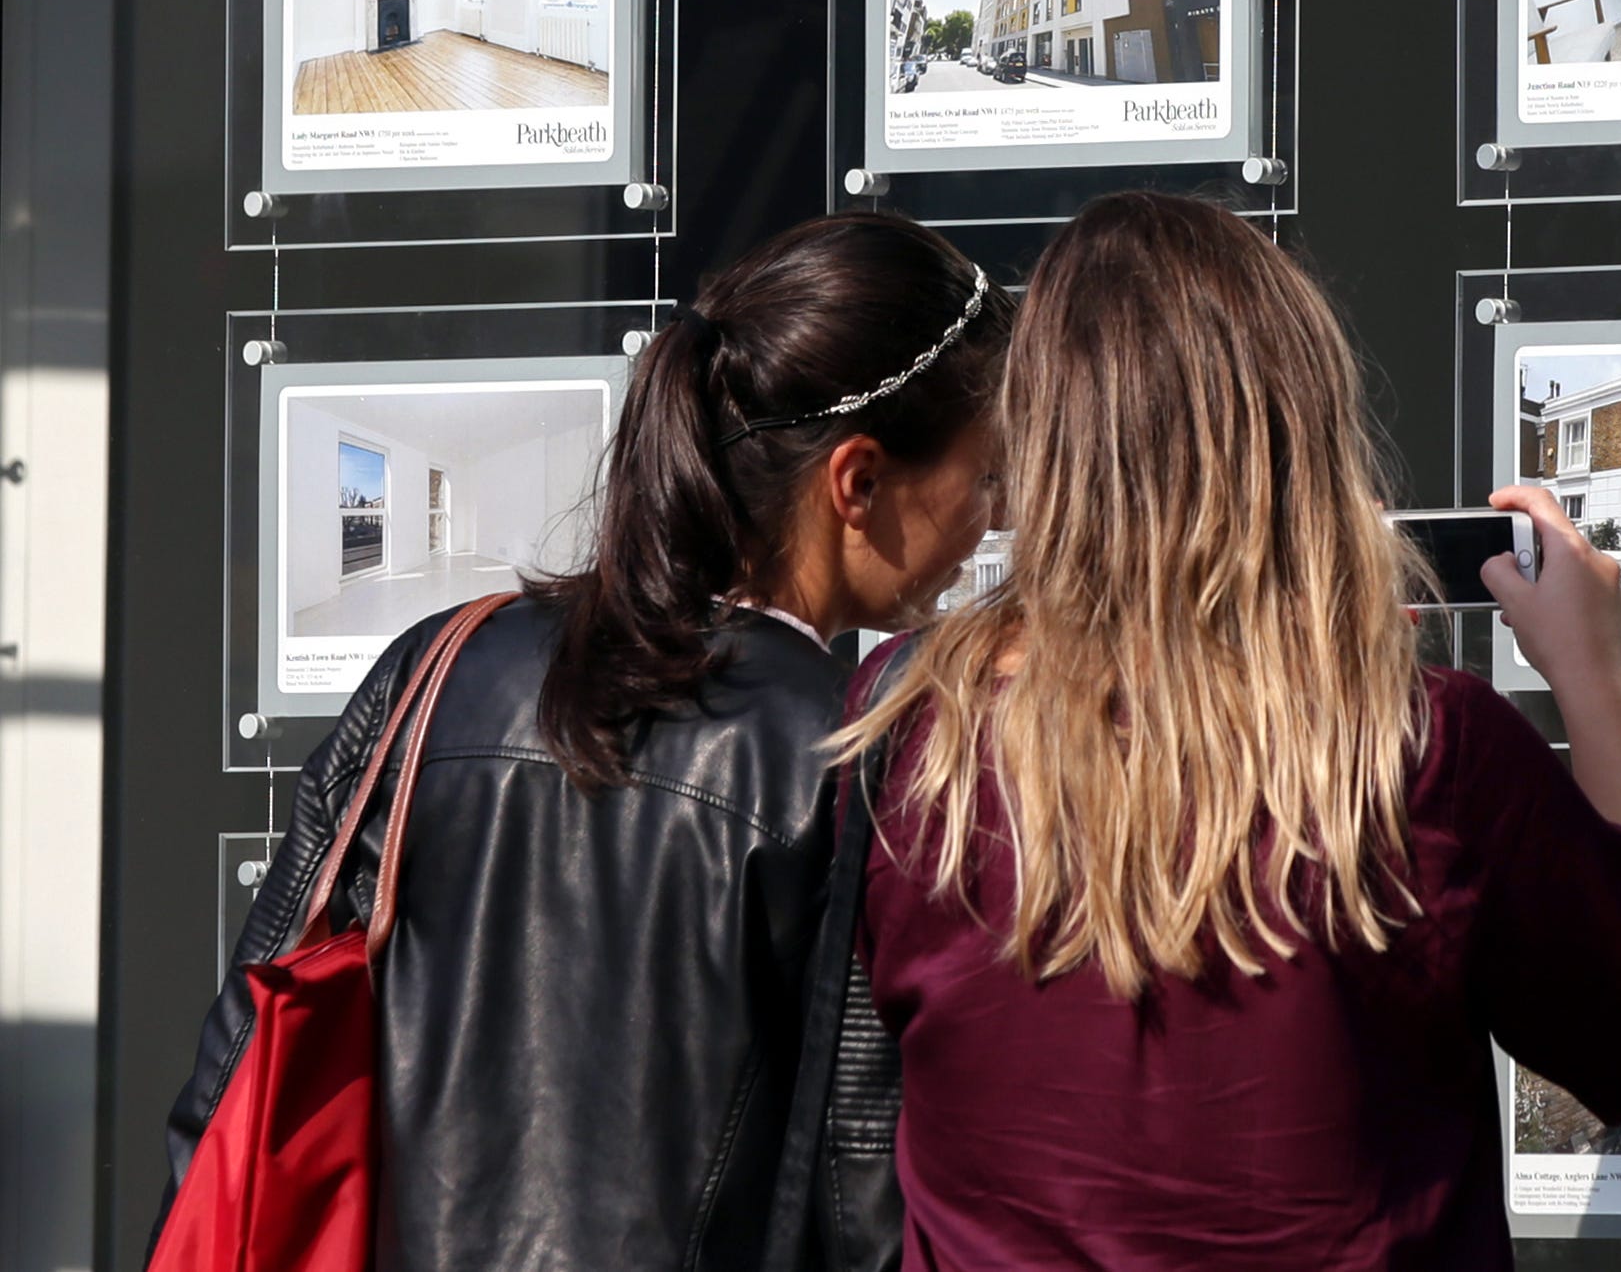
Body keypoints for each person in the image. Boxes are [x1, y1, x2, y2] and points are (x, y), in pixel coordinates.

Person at [835, 192, 1621, 1271]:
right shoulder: (1417, 750)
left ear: (1040, 442)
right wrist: (1595, 680)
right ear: (1301, 429)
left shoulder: (908, 737)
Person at [151, 212, 1013, 1271]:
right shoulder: (851, 748)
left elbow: (241, 1061)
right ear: (859, 481)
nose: (990, 514)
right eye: (982, 476)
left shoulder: (434, 668)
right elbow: (860, 1187)